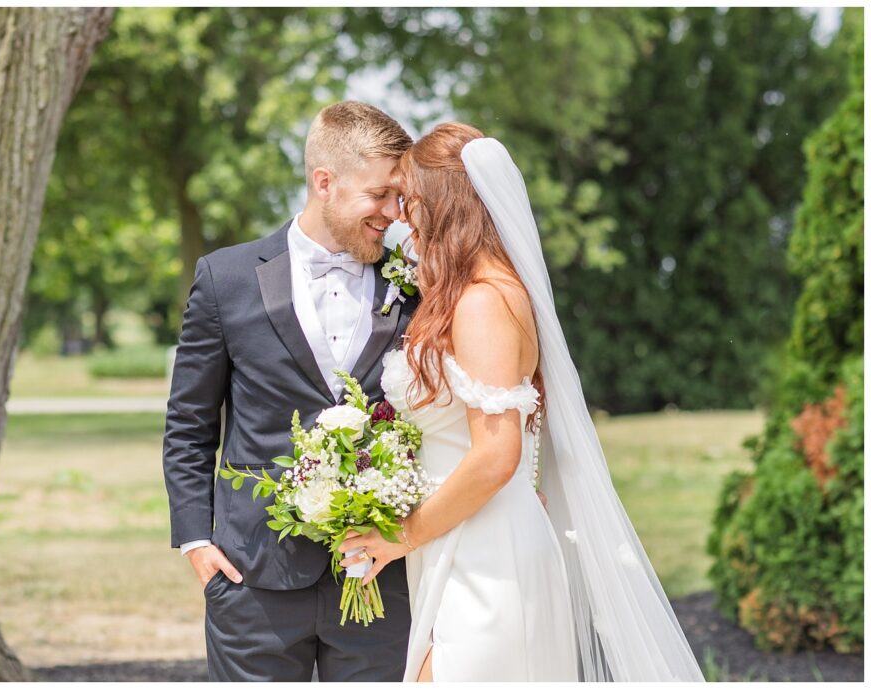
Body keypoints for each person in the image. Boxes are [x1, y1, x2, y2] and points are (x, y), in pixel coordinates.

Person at [339, 123, 706, 682]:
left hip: (490, 554)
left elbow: (496, 455)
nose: (403, 216)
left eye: (411, 200)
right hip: (458, 539)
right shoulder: (474, 293)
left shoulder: (486, 301)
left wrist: (400, 536)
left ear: (446, 204)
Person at [162, 101, 418, 681]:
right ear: (324, 183)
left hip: (382, 575)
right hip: (251, 577)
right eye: (380, 195)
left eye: (400, 197)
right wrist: (196, 542)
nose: (394, 213)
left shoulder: (413, 281)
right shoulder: (224, 278)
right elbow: (189, 424)